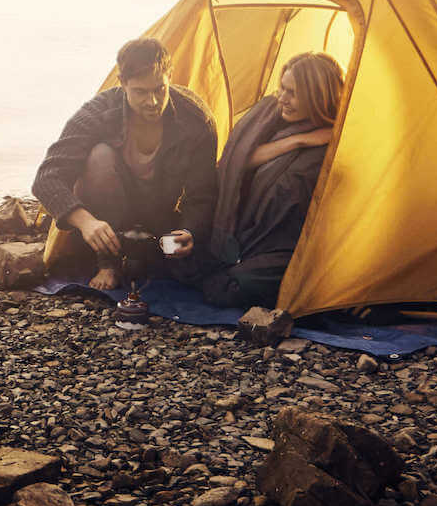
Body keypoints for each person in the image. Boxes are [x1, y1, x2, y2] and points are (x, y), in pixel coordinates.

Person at [31, 38, 219, 290]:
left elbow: (203, 193)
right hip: (105, 224)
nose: (152, 102)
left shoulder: (196, 119)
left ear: (170, 76)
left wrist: (190, 231)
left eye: (159, 89)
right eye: (141, 92)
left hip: (159, 220)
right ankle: (108, 264)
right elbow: (47, 178)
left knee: (197, 272)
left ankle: (147, 258)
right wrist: (86, 222)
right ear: (122, 83)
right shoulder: (97, 113)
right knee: (99, 156)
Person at [165, 51, 344, 308]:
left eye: (293, 93)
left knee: (228, 289)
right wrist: (297, 141)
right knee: (172, 252)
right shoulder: (269, 115)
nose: (282, 98)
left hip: (278, 244)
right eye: (282, 88)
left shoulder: (333, 144)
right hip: (237, 230)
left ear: (317, 96)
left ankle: (231, 271)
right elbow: (237, 160)